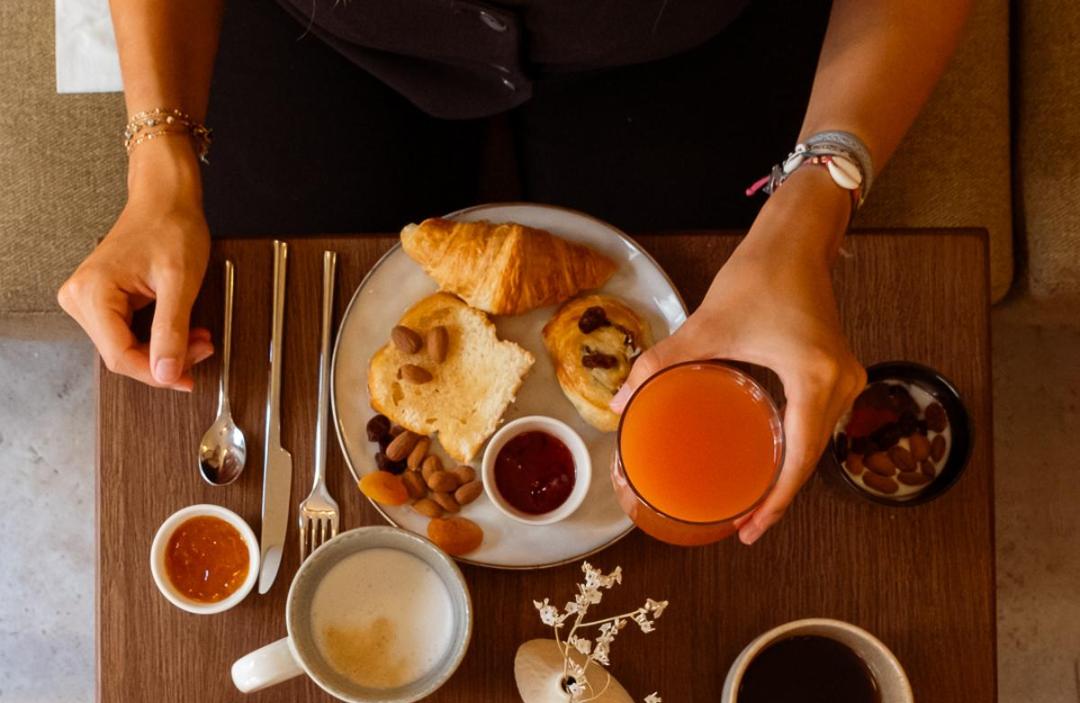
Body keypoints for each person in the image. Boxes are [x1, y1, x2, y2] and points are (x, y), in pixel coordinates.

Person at [59, 0, 971, 543]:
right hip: (338, 34)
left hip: (676, 40)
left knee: (717, 396)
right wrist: (161, 166)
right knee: (265, 354)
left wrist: (813, 204)